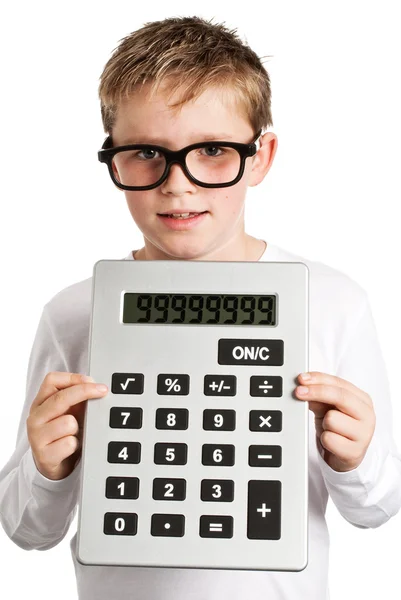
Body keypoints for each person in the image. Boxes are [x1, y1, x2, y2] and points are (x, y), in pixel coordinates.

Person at [0, 14, 400, 600]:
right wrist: (48, 468)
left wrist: (355, 459)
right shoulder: (73, 312)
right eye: (145, 153)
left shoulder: (334, 302)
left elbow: (377, 510)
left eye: (212, 150)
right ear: (114, 158)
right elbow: (26, 530)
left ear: (260, 157)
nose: (177, 184)